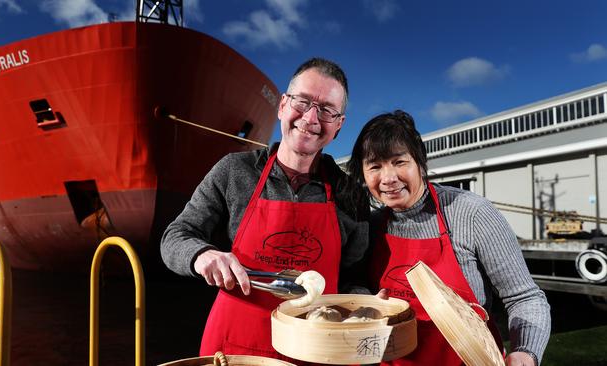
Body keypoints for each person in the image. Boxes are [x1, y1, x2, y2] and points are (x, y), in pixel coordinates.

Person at [160, 58, 369, 359]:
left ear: (339, 125)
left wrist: (363, 308)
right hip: (235, 350)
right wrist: (201, 254)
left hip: (317, 351)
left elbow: (356, 276)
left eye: (326, 110)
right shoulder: (234, 171)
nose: (311, 118)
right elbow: (175, 236)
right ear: (283, 105)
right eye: (303, 102)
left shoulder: (351, 194)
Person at [345, 111, 550, 366]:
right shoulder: (372, 226)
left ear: (419, 162)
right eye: (375, 166)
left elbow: (525, 298)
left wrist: (525, 351)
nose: (388, 178)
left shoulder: (471, 213)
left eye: (399, 162)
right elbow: (354, 288)